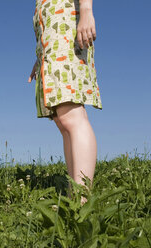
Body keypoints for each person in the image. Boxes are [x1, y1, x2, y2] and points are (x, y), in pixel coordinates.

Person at [28, 0, 102, 191]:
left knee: (72, 116)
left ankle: (82, 197)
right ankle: (75, 193)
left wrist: (86, 10)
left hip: (66, 28)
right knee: (63, 120)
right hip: (52, 42)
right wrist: (41, 57)